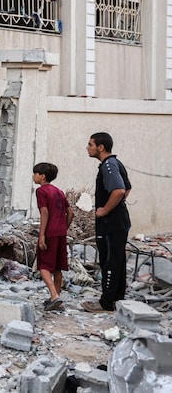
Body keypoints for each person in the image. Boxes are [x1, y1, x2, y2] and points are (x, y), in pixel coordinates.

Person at [82, 132, 132, 313]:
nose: (87, 148)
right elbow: (127, 188)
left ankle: (106, 302)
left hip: (111, 222)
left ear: (100, 147)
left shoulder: (109, 165)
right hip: (117, 220)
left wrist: (106, 209)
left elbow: (119, 191)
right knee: (116, 259)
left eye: (90, 144)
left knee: (109, 260)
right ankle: (116, 298)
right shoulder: (114, 163)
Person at [32, 163, 73, 311]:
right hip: (61, 233)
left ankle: (54, 296)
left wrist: (42, 235)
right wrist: (63, 227)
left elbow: (44, 213)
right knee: (57, 267)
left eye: (35, 173)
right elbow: (70, 213)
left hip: (49, 232)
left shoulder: (41, 191)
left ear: (42, 176)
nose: (33, 176)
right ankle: (57, 299)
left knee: (43, 265)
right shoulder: (59, 191)